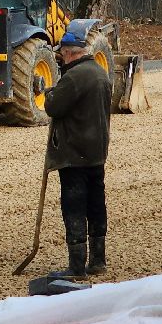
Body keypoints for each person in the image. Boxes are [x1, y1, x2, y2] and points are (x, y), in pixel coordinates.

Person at [44, 28, 113, 278]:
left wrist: (49, 91)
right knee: (96, 206)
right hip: (97, 153)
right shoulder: (100, 73)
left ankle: (76, 267)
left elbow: (53, 107)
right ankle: (97, 261)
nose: (62, 60)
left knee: (73, 207)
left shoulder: (74, 77)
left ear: (69, 53)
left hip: (74, 154)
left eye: (62, 56)